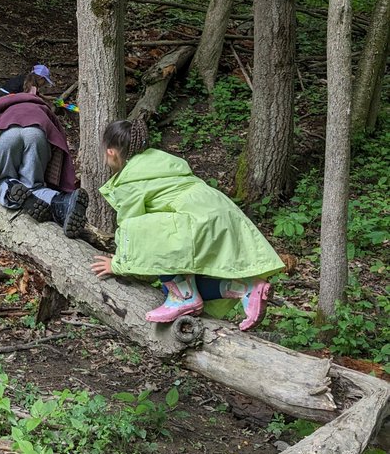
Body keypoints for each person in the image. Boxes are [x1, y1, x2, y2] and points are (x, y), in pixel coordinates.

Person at [90, 118, 283, 330]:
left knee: (140, 228)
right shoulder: (160, 161)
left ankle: (184, 298)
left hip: (195, 222)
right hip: (219, 213)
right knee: (170, 287)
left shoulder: (130, 179)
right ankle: (245, 288)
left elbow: (130, 227)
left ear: (111, 151)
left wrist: (118, 264)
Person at [0, 87, 88, 237]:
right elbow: (58, 135)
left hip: (7, 131)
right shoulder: (40, 105)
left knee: (3, 180)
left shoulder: (0, 107)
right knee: (34, 185)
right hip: (37, 131)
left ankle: (11, 191)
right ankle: (64, 202)